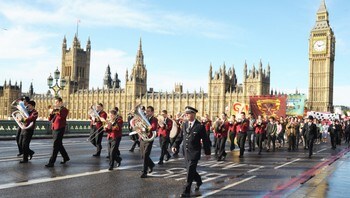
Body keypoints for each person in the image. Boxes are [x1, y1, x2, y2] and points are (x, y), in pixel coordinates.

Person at [172, 106, 211, 197]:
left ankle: (186, 190)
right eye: (186, 113)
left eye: (188, 113)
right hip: (185, 151)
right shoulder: (185, 124)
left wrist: (208, 153)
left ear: (193, 114)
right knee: (190, 170)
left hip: (194, 152)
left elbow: (205, 140)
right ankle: (199, 180)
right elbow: (180, 136)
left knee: (189, 172)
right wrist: (175, 145)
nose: (186, 115)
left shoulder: (200, 126)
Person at [45, 97, 70, 167]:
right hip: (54, 128)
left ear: (61, 102)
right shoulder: (56, 110)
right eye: (55, 102)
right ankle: (66, 157)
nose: (55, 104)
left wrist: (55, 111)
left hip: (60, 128)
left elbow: (61, 116)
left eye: (56, 102)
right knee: (59, 145)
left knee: (55, 145)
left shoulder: (64, 110)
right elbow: (50, 119)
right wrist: (51, 113)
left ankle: (51, 162)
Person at [139, 106, 158, 178]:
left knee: (146, 155)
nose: (147, 112)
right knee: (142, 155)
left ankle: (144, 172)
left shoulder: (154, 119)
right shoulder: (144, 118)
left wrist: (144, 129)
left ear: (152, 112)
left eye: (149, 111)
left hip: (149, 138)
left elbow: (152, 127)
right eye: (146, 111)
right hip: (142, 138)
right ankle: (151, 164)